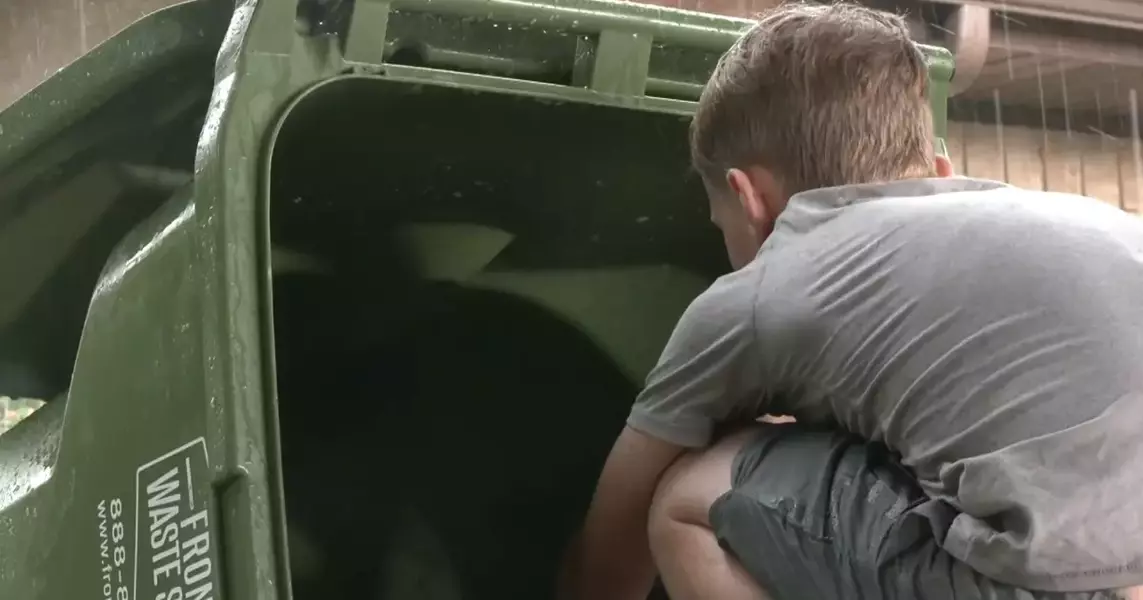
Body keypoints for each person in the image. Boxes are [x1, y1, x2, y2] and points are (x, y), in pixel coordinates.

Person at [556, 3, 1143, 600]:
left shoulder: (762, 290)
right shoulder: (1047, 215)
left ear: (749, 198)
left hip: (1015, 579)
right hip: (1127, 563)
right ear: (939, 170)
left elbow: (611, 552)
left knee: (687, 497)